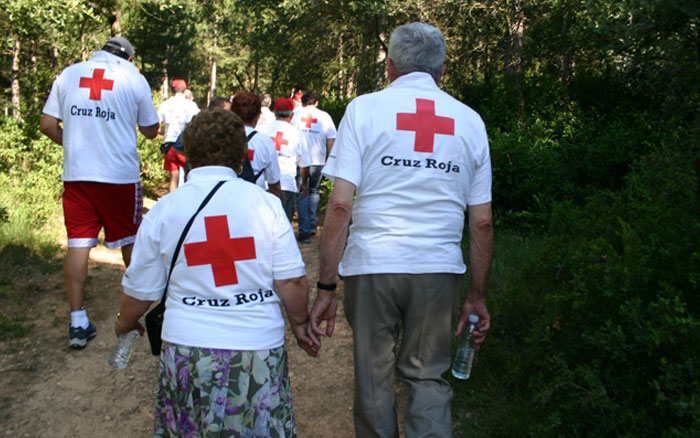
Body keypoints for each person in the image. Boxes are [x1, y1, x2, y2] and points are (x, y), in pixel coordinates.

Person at [307, 22, 494, 437]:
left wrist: (325, 287)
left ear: (389, 67)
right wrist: (477, 296)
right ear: (441, 71)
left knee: (374, 378)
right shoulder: (470, 121)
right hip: (438, 268)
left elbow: (339, 204)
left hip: (372, 263)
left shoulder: (363, 109)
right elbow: (481, 220)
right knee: (428, 376)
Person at [115, 108, 318, 437]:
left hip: (187, 348)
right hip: (256, 348)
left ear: (188, 155)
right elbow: (291, 280)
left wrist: (124, 323)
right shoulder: (265, 205)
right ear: (241, 157)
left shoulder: (166, 210)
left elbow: (140, 290)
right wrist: (299, 324)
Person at [39, 36, 159, 348]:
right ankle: (133, 315)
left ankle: (77, 321)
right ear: (129, 58)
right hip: (119, 175)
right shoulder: (133, 78)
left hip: (77, 175)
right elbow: (150, 130)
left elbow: (48, 125)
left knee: (78, 244)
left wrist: (78, 146)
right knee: (130, 240)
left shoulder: (69, 73)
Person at [291, 91, 337, 241]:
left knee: (301, 194)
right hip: (318, 161)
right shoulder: (325, 116)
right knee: (314, 191)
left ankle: (304, 231)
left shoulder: (296, 115)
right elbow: (331, 140)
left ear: (303, 102)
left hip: (300, 161)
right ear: (316, 102)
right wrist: (331, 159)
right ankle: (312, 224)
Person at [257, 98, 311, 224]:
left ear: (274, 112)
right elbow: (304, 165)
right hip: (286, 184)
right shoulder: (297, 134)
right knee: (283, 226)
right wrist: (303, 183)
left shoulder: (261, 130)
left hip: (263, 185)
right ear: (291, 115)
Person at [230, 92, 283, 198]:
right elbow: (274, 183)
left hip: (227, 197)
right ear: (258, 116)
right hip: (256, 198)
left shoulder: (222, 137)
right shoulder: (264, 142)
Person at [158, 78, 200, 192]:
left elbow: (157, 126)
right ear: (184, 90)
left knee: (173, 179)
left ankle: (173, 204)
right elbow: (199, 124)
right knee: (190, 177)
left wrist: (165, 132)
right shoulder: (191, 105)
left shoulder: (165, 105)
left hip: (170, 144)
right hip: (186, 144)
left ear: (172, 90)